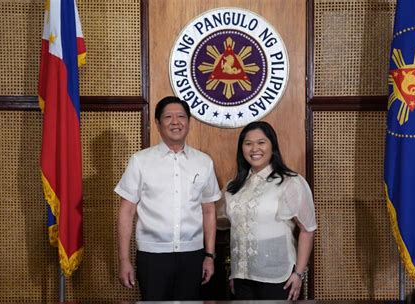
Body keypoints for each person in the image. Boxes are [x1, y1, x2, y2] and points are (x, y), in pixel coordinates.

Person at [114, 96, 221, 301]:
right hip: (152, 257)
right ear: (157, 123)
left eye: (181, 116)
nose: (175, 122)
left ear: (189, 122)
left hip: (193, 256)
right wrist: (124, 259)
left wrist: (209, 256)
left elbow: (209, 211)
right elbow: (126, 212)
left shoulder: (203, 162)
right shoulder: (140, 161)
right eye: (168, 117)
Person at [218, 121, 317, 300]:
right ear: (242, 149)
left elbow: (307, 229)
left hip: (277, 276)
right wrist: (236, 273)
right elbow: (221, 222)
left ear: (273, 146)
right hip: (241, 278)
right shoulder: (233, 187)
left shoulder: (289, 182)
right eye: (248, 143)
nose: (254, 148)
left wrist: (299, 273)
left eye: (261, 142)